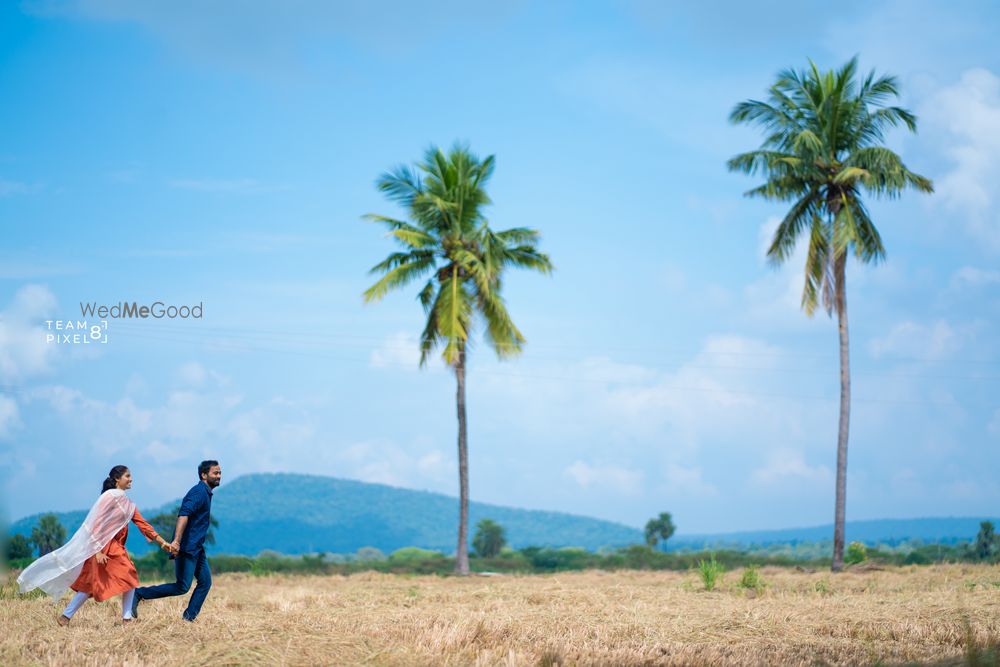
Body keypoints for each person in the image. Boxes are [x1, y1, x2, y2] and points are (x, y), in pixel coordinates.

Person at [16, 465, 175, 625]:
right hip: (103, 548)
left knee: (90, 584)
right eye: (127, 476)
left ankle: (65, 618)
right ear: (116, 480)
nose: (131, 479)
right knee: (129, 576)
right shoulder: (110, 497)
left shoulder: (128, 503)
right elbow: (95, 524)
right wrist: (97, 551)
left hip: (114, 548)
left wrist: (162, 543)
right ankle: (126, 620)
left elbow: (143, 524)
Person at [133, 460, 221, 622]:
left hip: (196, 548)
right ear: (203, 475)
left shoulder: (206, 493)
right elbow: (183, 515)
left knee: (205, 582)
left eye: (219, 473)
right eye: (215, 473)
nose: (218, 476)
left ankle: (188, 619)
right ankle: (138, 593)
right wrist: (177, 542)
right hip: (186, 548)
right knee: (182, 586)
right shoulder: (198, 492)